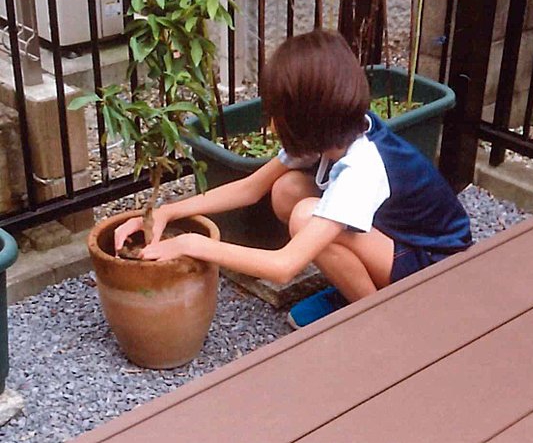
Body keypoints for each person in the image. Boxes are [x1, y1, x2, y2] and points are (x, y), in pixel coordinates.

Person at [114, 29, 472, 329]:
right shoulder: (337, 128)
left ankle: (376, 316)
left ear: (306, 120)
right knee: (286, 190)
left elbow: (284, 267)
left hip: (438, 267)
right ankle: (357, 287)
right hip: (398, 241)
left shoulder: (362, 168)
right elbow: (251, 187)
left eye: (276, 115)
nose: (271, 125)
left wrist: (191, 245)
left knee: (304, 215)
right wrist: (168, 212)